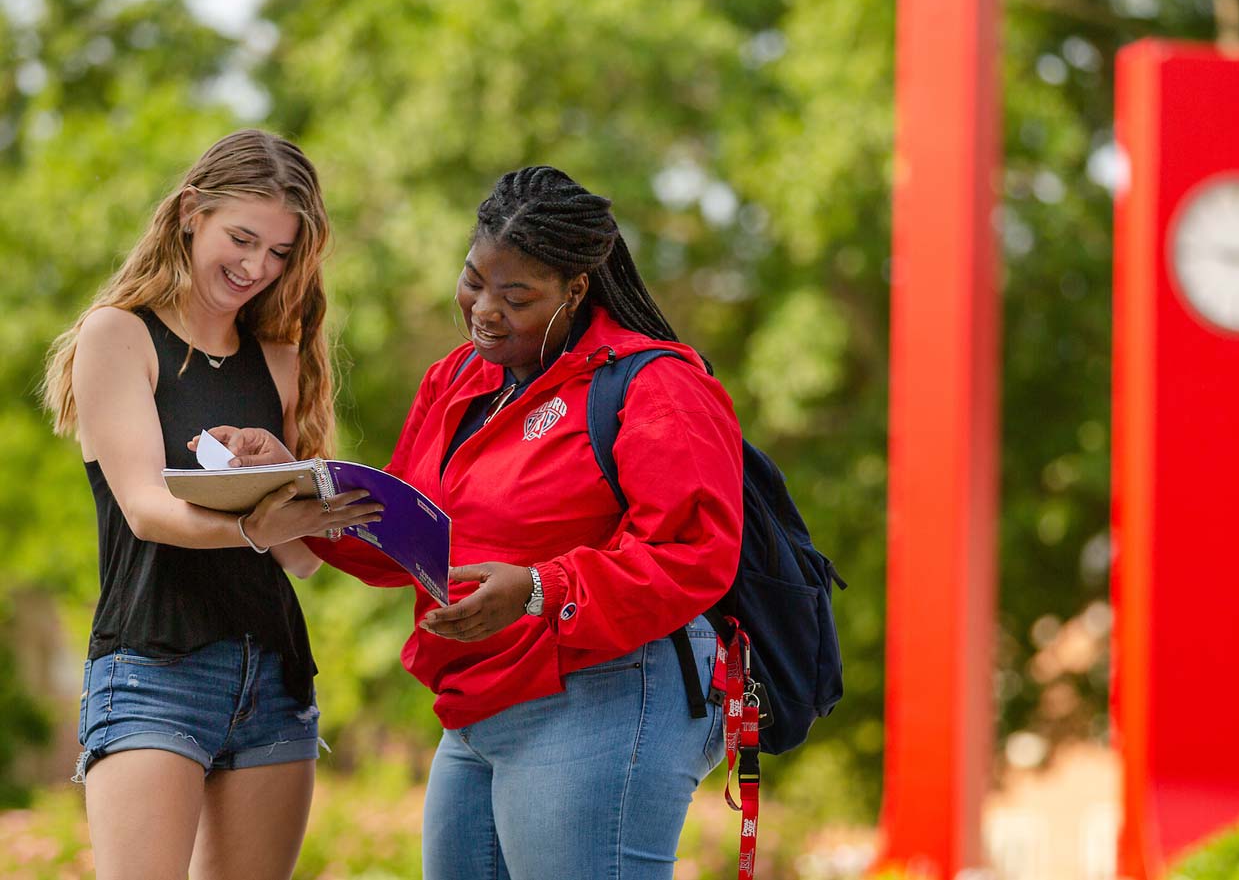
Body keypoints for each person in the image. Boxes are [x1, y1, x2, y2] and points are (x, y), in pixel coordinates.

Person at [217, 165, 743, 880]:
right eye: (474, 279)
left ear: (576, 290)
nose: (483, 308)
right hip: (476, 705)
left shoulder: (654, 384)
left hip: (606, 689)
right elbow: (404, 532)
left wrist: (536, 587)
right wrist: (291, 479)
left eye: (516, 294)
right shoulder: (458, 380)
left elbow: (693, 553)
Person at [42, 129, 384, 880]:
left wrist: (289, 478)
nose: (256, 266)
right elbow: (144, 508)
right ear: (191, 212)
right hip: (151, 668)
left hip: (274, 678)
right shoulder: (118, 337)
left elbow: (299, 559)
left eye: (279, 252)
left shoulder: (284, 362)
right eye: (241, 237)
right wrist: (254, 524)